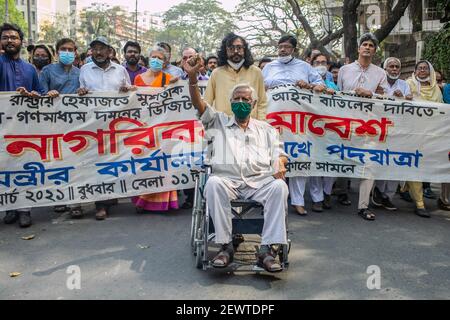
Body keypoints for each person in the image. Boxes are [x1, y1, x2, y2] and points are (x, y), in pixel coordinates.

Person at [184, 56, 289, 273]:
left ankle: (268, 250)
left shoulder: (266, 129)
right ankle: (225, 246)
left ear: (253, 103)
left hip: (258, 182)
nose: (241, 102)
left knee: (279, 187)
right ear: (231, 102)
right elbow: (199, 103)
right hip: (228, 181)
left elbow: (280, 154)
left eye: (245, 99)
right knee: (213, 183)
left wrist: (279, 161)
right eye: (237, 99)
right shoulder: (217, 121)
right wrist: (192, 78)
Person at [262, 35, 326, 215]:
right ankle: (274, 200)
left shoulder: (305, 67)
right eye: (280, 46)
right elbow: (257, 88)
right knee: (274, 156)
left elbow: (320, 84)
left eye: (286, 47)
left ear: (294, 50)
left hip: (299, 121)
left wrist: (308, 85)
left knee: (298, 157)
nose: (282, 50)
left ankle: (298, 201)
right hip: (274, 120)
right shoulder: (268, 68)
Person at [78, 36, 135, 221]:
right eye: (95, 49)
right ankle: (100, 204)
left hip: (116, 126)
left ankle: (111, 194)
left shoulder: (120, 70)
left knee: (115, 160)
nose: (99, 52)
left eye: (102, 48)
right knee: (98, 162)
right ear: (91, 51)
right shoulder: (84, 70)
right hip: (94, 125)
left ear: (109, 51)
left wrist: (127, 89)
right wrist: (82, 92)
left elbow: (130, 91)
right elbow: (80, 93)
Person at [337, 32, 388, 221]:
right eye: (364, 44)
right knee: (342, 157)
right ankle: (340, 192)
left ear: (374, 51)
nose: (367, 47)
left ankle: (363, 205)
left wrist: (370, 94)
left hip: (369, 124)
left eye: (371, 45)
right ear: (359, 48)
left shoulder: (380, 73)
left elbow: (384, 98)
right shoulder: (344, 70)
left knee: (369, 163)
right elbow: (338, 96)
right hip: (346, 122)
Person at [0, 23, 44, 228]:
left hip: (25, 129)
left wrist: (35, 95)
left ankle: (24, 209)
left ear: (21, 41)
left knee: (25, 168)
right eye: (6, 37)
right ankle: (9, 207)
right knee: (5, 168)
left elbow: (41, 92)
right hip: (2, 129)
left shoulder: (30, 69)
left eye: (14, 37)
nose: (10, 41)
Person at [131, 46, 179, 212]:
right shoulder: (138, 79)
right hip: (144, 128)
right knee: (145, 163)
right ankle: (143, 201)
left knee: (163, 164)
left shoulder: (170, 78)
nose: (156, 60)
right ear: (148, 58)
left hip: (164, 127)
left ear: (165, 62)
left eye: (160, 58)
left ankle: (164, 202)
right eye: (153, 57)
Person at [371, 57, 412, 212]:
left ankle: (388, 196)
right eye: (391, 66)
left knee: (395, 163)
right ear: (385, 68)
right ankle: (378, 191)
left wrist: (405, 98)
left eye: (397, 67)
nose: (394, 69)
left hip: (398, 130)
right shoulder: (379, 84)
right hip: (380, 129)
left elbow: (411, 106)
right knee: (381, 160)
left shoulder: (404, 85)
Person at [406, 60, 446, 216]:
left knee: (424, 165)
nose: (422, 70)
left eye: (425, 68)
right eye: (419, 68)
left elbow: (441, 110)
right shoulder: (408, 84)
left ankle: (405, 187)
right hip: (411, 133)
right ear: (415, 71)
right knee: (413, 164)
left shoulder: (436, 89)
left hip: (431, 134)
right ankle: (419, 203)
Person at [205, 33, 267, 121]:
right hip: (223, 126)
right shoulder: (216, 73)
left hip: (251, 126)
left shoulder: (256, 72)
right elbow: (207, 102)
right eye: (231, 48)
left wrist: (261, 123)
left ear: (244, 49)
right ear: (225, 50)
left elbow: (262, 102)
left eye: (239, 47)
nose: (235, 51)